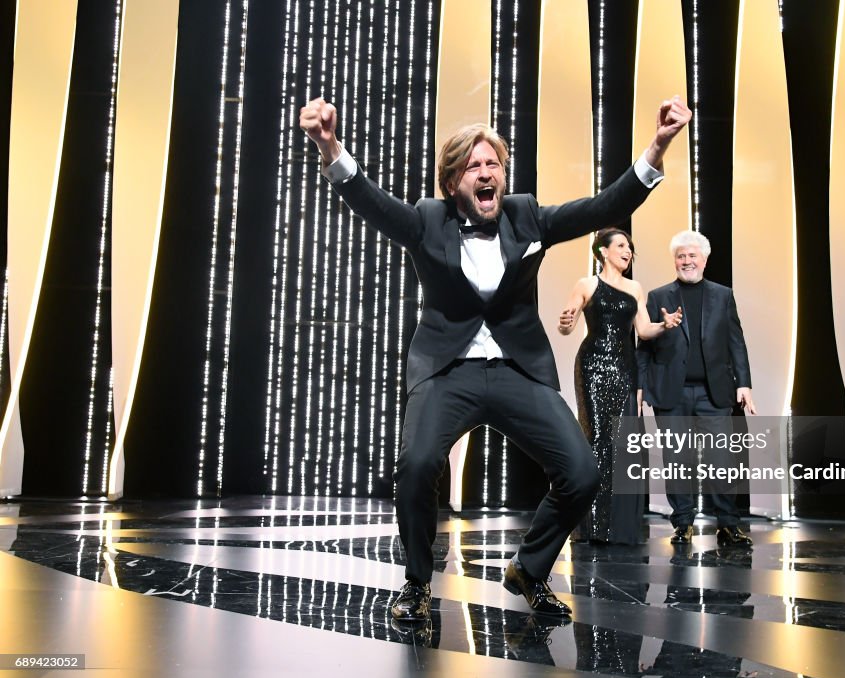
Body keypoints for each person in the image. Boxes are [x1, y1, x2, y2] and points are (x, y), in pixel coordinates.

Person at [299, 95, 691, 622]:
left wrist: (660, 144)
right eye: (473, 166)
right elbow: (370, 200)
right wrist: (329, 145)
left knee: (582, 472)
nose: (486, 173)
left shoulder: (526, 216)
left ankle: (528, 570)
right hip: (447, 369)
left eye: (494, 164)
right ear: (452, 181)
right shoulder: (426, 220)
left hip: (516, 368)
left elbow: (603, 206)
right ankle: (416, 583)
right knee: (416, 466)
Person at [557, 228, 682, 544]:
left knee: (625, 444)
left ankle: (620, 528)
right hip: (593, 367)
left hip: (624, 368)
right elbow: (568, 324)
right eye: (622, 246)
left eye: (630, 247)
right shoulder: (587, 284)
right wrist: (566, 322)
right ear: (602, 251)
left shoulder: (635, 287)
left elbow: (643, 329)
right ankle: (593, 526)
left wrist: (664, 325)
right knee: (598, 438)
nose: (628, 251)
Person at [636, 230, 757, 547]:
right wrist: (641, 386)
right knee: (676, 460)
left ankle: (728, 525)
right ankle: (682, 524)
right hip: (670, 395)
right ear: (674, 260)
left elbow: (736, 343)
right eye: (680, 256)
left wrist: (743, 383)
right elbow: (644, 346)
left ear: (704, 259)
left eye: (692, 255)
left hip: (713, 392)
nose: (686, 261)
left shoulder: (723, 295)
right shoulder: (658, 296)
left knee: (722, 460)